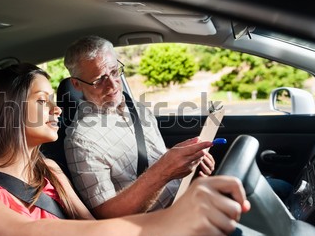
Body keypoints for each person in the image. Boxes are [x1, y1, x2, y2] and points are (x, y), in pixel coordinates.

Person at [0, 62, 250, 236]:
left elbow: (92, 230)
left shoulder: (48, 170)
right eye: (42, 101)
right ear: (8, 111)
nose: (57, 109)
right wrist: (165, 223)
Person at [63, 35, 216, 219]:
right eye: (98, 80)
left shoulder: (134, 106)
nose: (112, 85)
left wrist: (187, 158)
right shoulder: (81, 140)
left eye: (114, 71)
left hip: (190, 198)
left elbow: (151, 154)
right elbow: (106, 216)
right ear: (76, 84)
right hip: (160, 225)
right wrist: (165, 170)